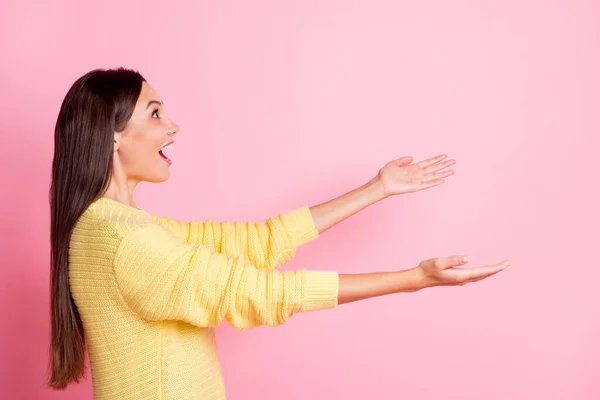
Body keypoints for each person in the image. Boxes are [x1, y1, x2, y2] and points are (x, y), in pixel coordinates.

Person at [48, 67, 511, 400]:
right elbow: (262, 291)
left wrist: (377, 188)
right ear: (112, 134)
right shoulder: (126, 240)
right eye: (154, 115)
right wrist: (413, 279)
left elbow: (257, 243)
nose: (173, 126)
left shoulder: (112, 228)